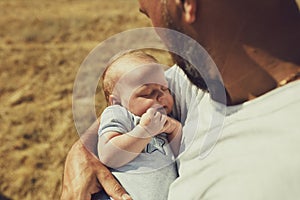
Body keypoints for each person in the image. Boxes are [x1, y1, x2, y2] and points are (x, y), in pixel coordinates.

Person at [61, 0, 300, 200]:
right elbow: (130, 97)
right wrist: (85, 150)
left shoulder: (261, 183)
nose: (157, 31)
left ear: (187, 4)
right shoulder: (206, 75)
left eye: (150, 15)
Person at [97, 50, 182, 200]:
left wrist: (175, 129)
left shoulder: (166, 121)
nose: (160, 96)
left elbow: (181, 156)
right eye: (147, 93)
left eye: (164, 88)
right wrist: (144, 131)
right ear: (116, 101)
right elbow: (108, 155)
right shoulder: (119, 114)